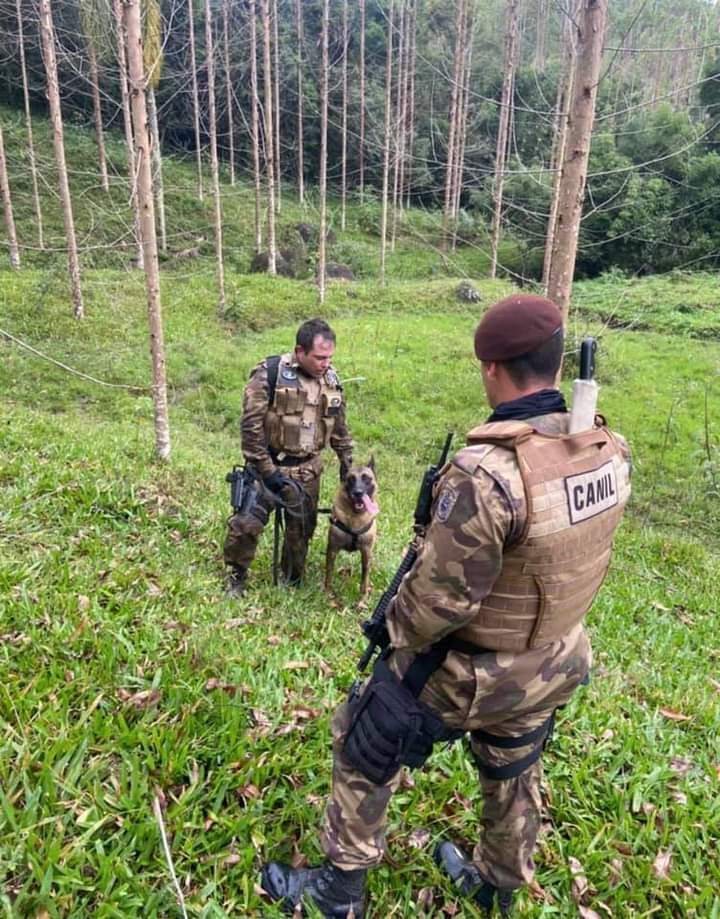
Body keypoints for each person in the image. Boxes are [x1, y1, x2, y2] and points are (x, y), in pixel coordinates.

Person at [259, 294, 632, 917]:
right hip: (555, 660)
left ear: (492, 368)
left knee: (364, 740)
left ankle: (337, 892)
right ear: (558, 362)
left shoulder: (488, 474)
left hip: (468, 673)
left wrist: (391, 632)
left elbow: (439, 603)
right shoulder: (608, 449)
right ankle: (499, 883)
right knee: (513, 768)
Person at [224, 318, 353, 595]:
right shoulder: (269, 373)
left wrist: (347, 462)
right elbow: (251, 426)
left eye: (329, 357)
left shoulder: (332, 381)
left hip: (307, 472)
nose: (325, 363)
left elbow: (339, 427)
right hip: (266, 467)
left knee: (301, 534)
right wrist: (267, 470)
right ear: (300, 351)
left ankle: (291, 580)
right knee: (246, 526)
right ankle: (235, 577)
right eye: (319, 357)